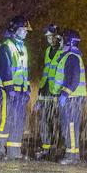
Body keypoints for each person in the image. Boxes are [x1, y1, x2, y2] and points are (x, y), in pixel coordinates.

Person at [0, 15, 32, 160]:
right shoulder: (6, 46)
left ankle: (14, 152)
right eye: (23, 29)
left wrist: (27, 89)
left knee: (18, 120)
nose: (26, 32)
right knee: (6, 119)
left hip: (20, 91)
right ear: (15, 29)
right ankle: (0, 149)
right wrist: (9, 89)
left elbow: (23, 71)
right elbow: (4, 69)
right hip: (7, 90)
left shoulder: (22, 47)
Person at [50, 29, 87, 164]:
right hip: (74, 97)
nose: (60, 43)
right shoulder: (71, 55)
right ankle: (73, 154)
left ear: (67, 42)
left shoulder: (71, 56)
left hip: (72, 98)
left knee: (70, 126)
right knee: (70, 126)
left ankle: (72, 157)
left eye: (62, 40)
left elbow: (74, 78)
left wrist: (65, 94)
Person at [35, 24, 63, 160]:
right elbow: (46, 71)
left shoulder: (63, 50)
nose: (48, 40)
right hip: (45, 91)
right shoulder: (48, 51)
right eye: (47, 37)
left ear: (57, 36)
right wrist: (40, 91)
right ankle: (46, 148)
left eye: (50, 36)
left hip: (57, 93)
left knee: (57, 122)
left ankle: (58, 149)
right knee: (44, 121)